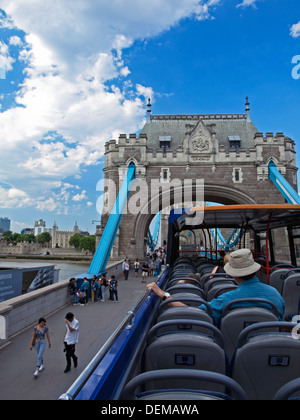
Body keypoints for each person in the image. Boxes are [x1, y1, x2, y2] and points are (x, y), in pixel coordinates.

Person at [147, 248, 286, 327]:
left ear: (233, 274)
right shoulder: (275, 295)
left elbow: (195, 313)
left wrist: (165, 295)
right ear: (255, 270)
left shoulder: (228, 299)